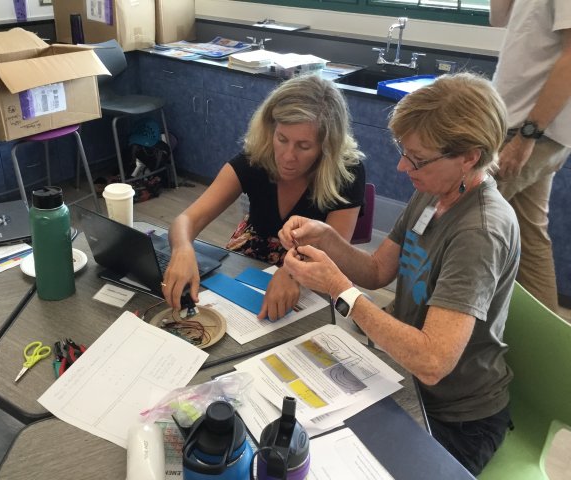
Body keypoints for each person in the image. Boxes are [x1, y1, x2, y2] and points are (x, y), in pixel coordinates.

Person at [279, 73, 519, 475]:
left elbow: (432, 361)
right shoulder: (435, 189)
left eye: (417, 158)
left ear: (469, 156)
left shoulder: (479, 231)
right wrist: (328, 239)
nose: (402, 165)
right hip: (403, 379)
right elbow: (376, 270)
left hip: (457, 418)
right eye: (404, 151)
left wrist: (341, 290)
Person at [162, 74, 366, 320]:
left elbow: (333, 250)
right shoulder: (256, 157)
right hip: (252, 256)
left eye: (303, 146)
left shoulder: (347, 171)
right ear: (271, 129)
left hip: (313, 264)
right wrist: (183, 248)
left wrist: (291, 272)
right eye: (282, 139)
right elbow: (187, 219)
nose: (288, 156)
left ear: (327, 146)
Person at [490, 0, 571, 313]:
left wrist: (527, 137)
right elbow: (499, 18)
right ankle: (551, 349)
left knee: (448, 215)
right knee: (530, 236)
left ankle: (413, 314)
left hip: (530, 130)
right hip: (522, 126)